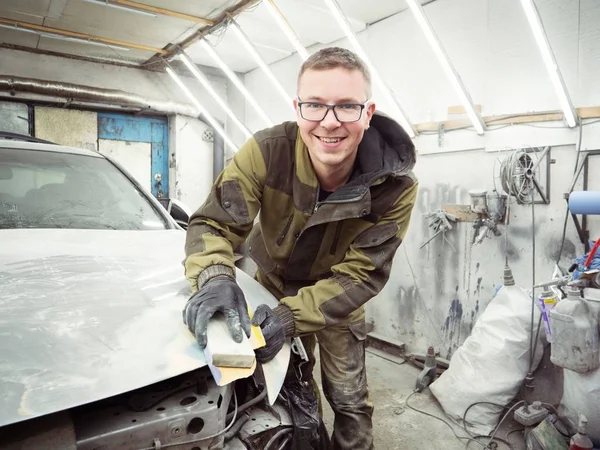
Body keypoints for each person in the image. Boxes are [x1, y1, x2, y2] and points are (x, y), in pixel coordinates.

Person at [182, 46, 418, 450]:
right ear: (297, 108)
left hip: (338, 300)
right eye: (315, 105)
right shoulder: (266, 152)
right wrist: (215, 276)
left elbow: (363, 274)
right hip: (270, 288)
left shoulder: (395, 187)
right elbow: (214, 223)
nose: (329, 122)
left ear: (368, 112)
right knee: (293, 388)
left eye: (347, 107)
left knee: (349, 400)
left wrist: (291, 319)